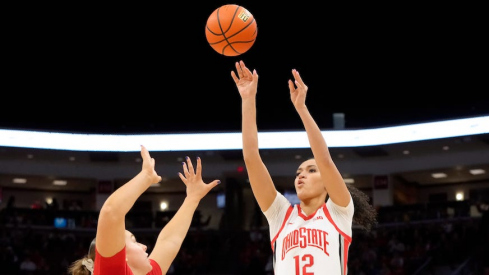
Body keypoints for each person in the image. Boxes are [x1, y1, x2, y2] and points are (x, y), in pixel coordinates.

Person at [231, 60, 377, 274]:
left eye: (311, 170)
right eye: (298, 172)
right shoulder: (280, 215)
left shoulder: (338, 212)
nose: (301, 176)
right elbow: (251, 158)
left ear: (327, 183)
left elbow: (325, 160)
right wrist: (248, 99)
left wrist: (301, 108)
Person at [68, 145, 220, 275]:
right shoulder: (112, 272)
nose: (145, 246)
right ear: (121, 256)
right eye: (134, 241)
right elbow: (111, 212)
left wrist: (193, 198)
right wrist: (146, 176)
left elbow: (169, 241)